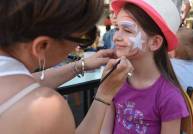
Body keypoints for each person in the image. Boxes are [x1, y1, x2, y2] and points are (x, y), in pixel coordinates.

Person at [0, 0, 133, 134]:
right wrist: (104, 95)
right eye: (82, 37)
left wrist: (81, 65)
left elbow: (32, 82)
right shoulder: (43, 110)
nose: (77, 47)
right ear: (42, 45)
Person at [100, 0, 189, 134]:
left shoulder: (169, 97)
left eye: (127, 30)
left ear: (154, 42)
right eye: (117, 28)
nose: (116, 37)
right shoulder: (116, 81)